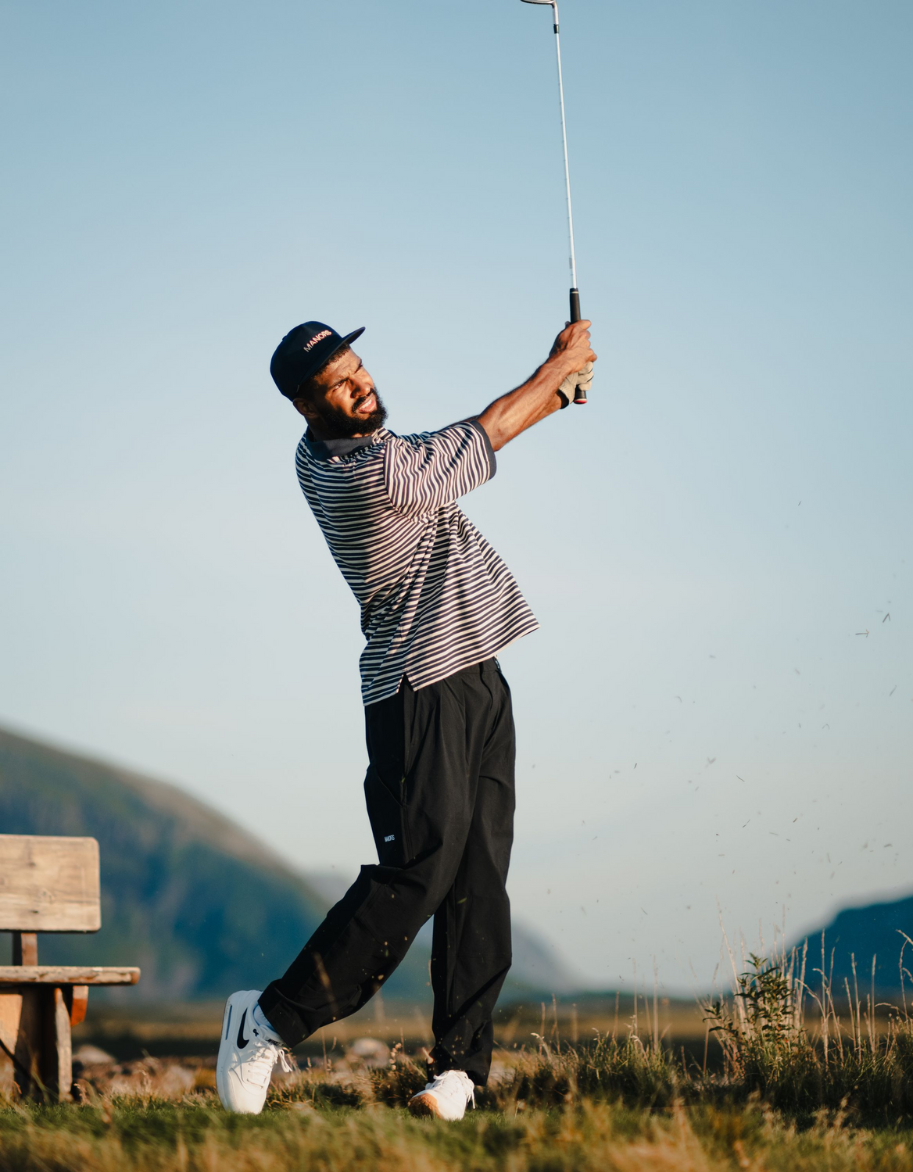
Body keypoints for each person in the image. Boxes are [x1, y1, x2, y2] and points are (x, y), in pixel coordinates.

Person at [215, 317, 595, 1118]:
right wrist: (555, 369)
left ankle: (458, 1072)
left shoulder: (348, 447)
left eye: (359, 367)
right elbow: (482, 434)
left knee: (480, 877)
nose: (362, 384)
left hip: (476, 673)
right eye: (339, 383)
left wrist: (556, 392)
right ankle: (267, 1022)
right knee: (420, 870)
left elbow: (475, 436)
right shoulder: (369, 471)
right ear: (305, 407)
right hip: (415, 690)